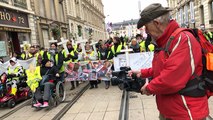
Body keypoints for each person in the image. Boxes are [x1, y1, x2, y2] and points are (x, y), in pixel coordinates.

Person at [129, 3, 209, 120]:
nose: (146, 31)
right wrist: (143, 73)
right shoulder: (166, 41)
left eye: (146, 27)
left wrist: (148, 88)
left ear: (156, 23)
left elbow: (171, 79)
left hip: (186, 112)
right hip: (170, 110)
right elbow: (164, 68)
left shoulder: (183, 39)